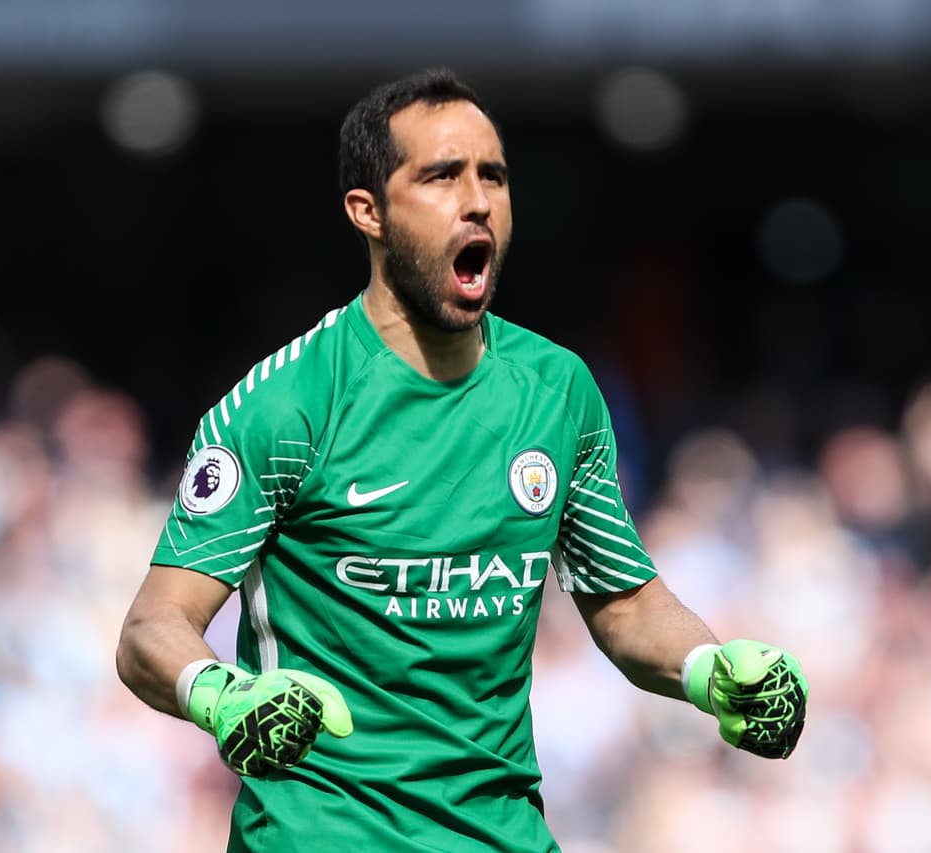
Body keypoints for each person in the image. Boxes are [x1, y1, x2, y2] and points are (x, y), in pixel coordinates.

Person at [116, 67, 807, 853]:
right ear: (367, 212)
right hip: (323, 836)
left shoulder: (558, 392)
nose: (477, 200)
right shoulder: (286, 404)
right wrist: (221, 694)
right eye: (442, 176)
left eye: (494, 176)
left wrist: (708, 667)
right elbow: (150, 627)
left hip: (502, 834)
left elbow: (623, 606)